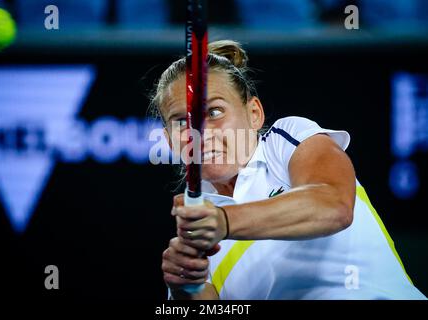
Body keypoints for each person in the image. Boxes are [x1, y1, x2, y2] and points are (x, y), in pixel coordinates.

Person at [151, 40, 426, 300]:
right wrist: (188, 288)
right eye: (181, 122)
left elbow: (334, 205)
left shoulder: (285, 140)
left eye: (214, 112)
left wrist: (224, 221)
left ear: (254, 114)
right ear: (169, 140)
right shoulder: (194, 227)